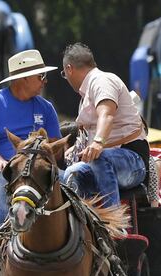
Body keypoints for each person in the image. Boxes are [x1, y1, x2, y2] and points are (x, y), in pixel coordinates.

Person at [0, 49, 61, 226]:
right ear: (24, 78)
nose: (45, 81)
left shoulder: (46, 107)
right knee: (1, 182)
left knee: (68, 180)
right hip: (5, 168)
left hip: (38, 167)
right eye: (41, 76)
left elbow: (55, 144)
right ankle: (7, 235)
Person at [59, 43, 147, 207]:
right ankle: (84, 226)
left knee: (100, 157)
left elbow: (106, 115)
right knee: (70, 174)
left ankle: (112, 223)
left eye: (64, 73)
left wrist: (98, 143)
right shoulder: (86, 95)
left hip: (133, 163)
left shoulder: (102, 81)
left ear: (69, 69)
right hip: (102, 162)